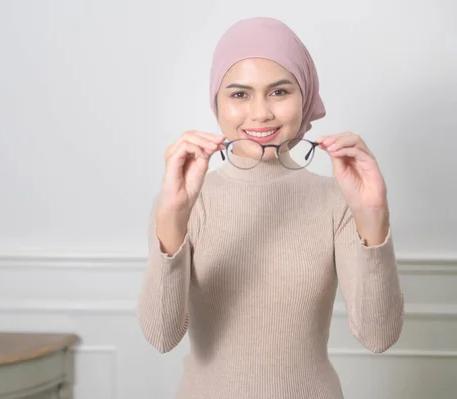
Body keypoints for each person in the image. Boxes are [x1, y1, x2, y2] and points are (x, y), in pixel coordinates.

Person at [135, 16, 405, 399]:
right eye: (240, 94)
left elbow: (379, 337)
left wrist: (374, 215)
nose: (260, 113)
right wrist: (172, 218)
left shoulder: (338, 201)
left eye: (279, 92)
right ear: (217, 101)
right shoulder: (181, 201)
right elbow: (161, 336)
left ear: (305, 96)